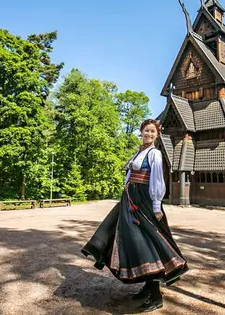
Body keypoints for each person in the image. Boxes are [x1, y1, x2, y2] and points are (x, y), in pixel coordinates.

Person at [81, 119, 189, 312]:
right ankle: (148, 288)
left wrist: (156, 206)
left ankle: (156, 297)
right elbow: (129, 176)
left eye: (152, 132)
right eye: (146, 131)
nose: (149, 134)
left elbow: (157, 180)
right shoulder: (140, 152)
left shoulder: (155, 153)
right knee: (122, 237)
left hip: (143, 202)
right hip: (130, 199)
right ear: (141, 132)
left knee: (145, 243)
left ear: (156, 135)